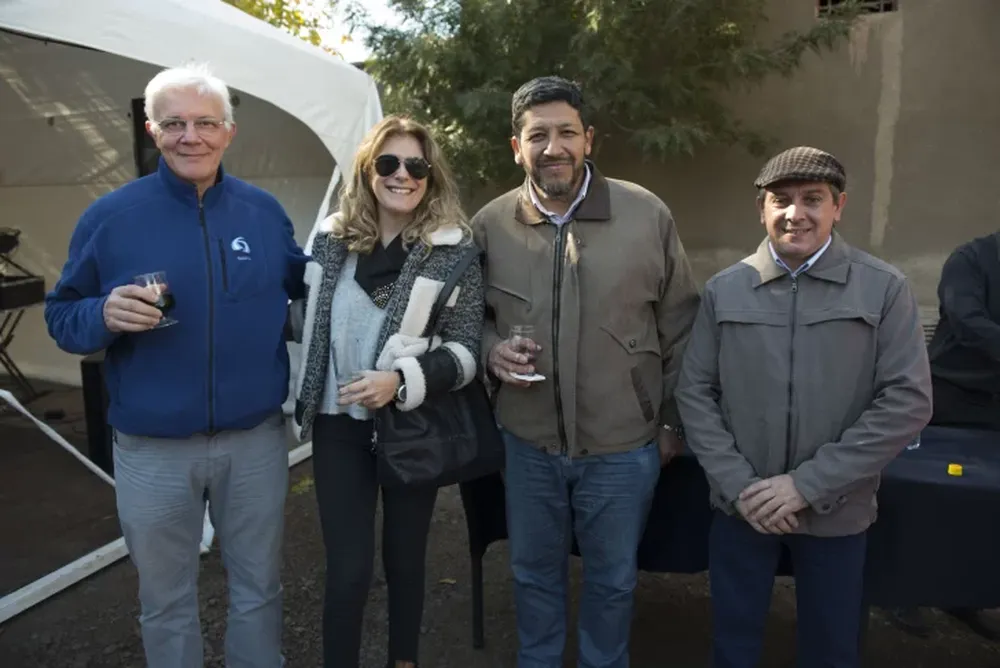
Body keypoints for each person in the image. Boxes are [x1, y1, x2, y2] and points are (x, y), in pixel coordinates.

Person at [44, 63, 307, 668]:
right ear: (152, 130)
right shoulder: (111, 216)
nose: (192, 137)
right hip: (152, 449)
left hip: (255, 440)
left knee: (259, 588)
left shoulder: (263, 213)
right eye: (174, 123)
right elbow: (61, 316)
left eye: (206, 123)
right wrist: (102, 313)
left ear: (229, 132)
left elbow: (310, 291)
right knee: (165, 602)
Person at [471, 75, 700, 668]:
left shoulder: (646, 214)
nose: (554, 148)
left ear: (589, 139)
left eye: (566, 133)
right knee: (532, 574)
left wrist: (671, 421)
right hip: (526, 444)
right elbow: (466, 319)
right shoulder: (490, 225)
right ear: (516, 147)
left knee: (613, 580)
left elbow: (682, 327)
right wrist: (491, 349)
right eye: (537, 136)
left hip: (623, 447)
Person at [675, 146, 933, 668]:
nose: (796, 213)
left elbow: (908, 400)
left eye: (812, 199)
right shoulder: (726, 290)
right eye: (782, 200)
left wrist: (807, 485)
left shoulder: (883, 289)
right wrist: (740, 486)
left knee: (831, 648)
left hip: (836, 509)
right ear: (762, 210)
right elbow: (695, 392)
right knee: (733, 644)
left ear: (839, 206)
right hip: (743, 508)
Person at [289, 114, 484, 668]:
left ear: (431, 175)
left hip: (409, 429)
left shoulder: (453, 251)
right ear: (367, 170)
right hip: (337, 427)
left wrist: (400, 382)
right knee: (348, 569)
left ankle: (404, 660)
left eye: (416, 165)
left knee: (405, 559)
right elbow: (307, 320)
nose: (403, 175)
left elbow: (467, 352)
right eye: (389, 162)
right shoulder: (331, 241)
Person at [886, 230, 1000, 640]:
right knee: (927, 497)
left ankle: (963, 593)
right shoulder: (971, 259)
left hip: (996, 405)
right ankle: (901, 590)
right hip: (950, 396)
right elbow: (968, 321)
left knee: (982, 509)